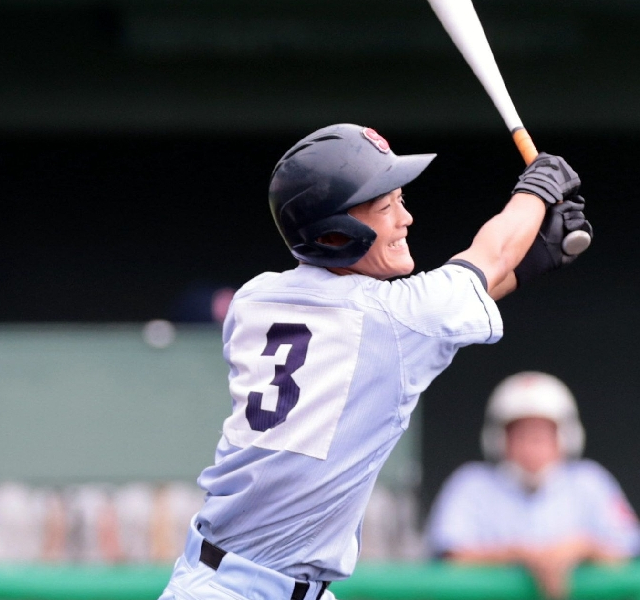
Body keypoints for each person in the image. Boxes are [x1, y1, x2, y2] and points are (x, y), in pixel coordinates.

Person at [158, 123, 592, 600]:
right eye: (386, 207)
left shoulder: (256, 298)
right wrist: (536, 190)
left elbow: (440, 307)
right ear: (334, 234)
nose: (404, 219)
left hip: (231, 575)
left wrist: (526, 261)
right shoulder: (389, 318)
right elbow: (489, 256)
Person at [424, 371, 640, 599]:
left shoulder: (590, 481)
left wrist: (582, 547)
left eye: (542, 436)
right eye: (521, 435)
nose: (531, 448)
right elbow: (450, 558)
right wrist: (521, 555)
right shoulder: (470, 483)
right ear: (498, 440)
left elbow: (626, 553)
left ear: (566, 438)